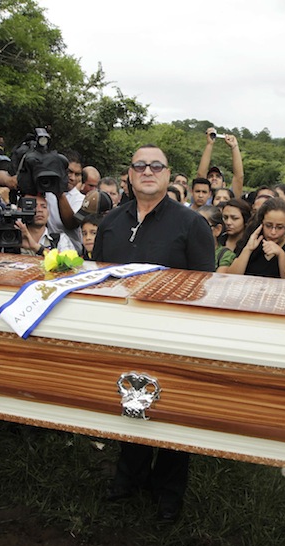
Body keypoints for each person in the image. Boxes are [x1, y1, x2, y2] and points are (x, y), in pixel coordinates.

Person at [93, 144, 214, 522]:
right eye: (140, 166)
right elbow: (98, 277)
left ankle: (168, 493)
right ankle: (128, 477)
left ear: (167, 173)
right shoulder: (111, 221)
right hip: (121, 333)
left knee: (172, 412)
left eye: (156, 166)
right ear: (129, 174)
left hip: (172, 336)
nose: (148, 171)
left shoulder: (192, 224)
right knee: (127, 401)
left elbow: (204, 286)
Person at [228, 197, 285, 279]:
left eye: (279, 227)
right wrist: (248, 249)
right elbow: (231, 277)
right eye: (268, 226)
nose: (273, 232)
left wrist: (281, 254)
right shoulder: (253, 240)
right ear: (262, 223)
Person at [197, 127, 244, 199]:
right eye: (210, 176)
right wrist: (209, 144)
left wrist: (234, 147)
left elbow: (239, 178)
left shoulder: (230, 199)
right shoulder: (201, 198)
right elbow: (201, 175)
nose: (214, 178)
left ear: (224, 184)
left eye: (218, 176)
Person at [198, 205, 236, 272]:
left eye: (203, 226)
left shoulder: (225, 255)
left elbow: (217, 280)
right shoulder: (186, 250)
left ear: (217, 229)